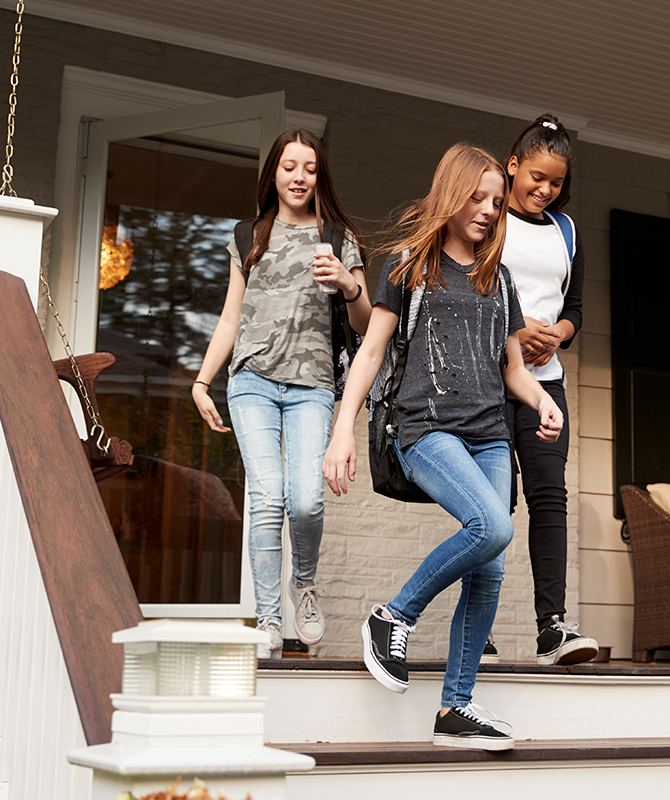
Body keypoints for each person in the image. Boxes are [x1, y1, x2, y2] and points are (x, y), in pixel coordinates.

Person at [322, 143, 563, 750]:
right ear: (451, 196)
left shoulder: (497, 277)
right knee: (492, 527)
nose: (487, 210)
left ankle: (455, 708)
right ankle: (394, 615)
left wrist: (542, 401)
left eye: (493, 201)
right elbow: (371, 352)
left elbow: (512, 369)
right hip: (425, 429)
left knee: (490, 569)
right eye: (475, 198)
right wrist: (342, 429)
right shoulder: (408, 265)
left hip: (489, 434)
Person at [192, 129, 371, 659]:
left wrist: (348, 282)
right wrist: (203, 380)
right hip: (251, 383)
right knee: (267, 498)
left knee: (307, 500)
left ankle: (305, 584)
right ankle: (269, 620)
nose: (299, 177)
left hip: (312, 385)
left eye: (309, 168)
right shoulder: (250, 235)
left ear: (320, 177)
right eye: (289, 166)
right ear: (273, 173)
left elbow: (365, 324)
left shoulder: (339, 240)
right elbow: (231, 317)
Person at [500, 114, 599, 665]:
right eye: (536, 176)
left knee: (548, 498)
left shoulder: (567, 232)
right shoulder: (491, 221)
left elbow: (576, 307)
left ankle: (552, 629)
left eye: (556, 182)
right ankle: (481, 630)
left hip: (547, 385)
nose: (544, 189)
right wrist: (516, 330)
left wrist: (557, 333)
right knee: (490, 507)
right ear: (513, 166)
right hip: (490, 385)